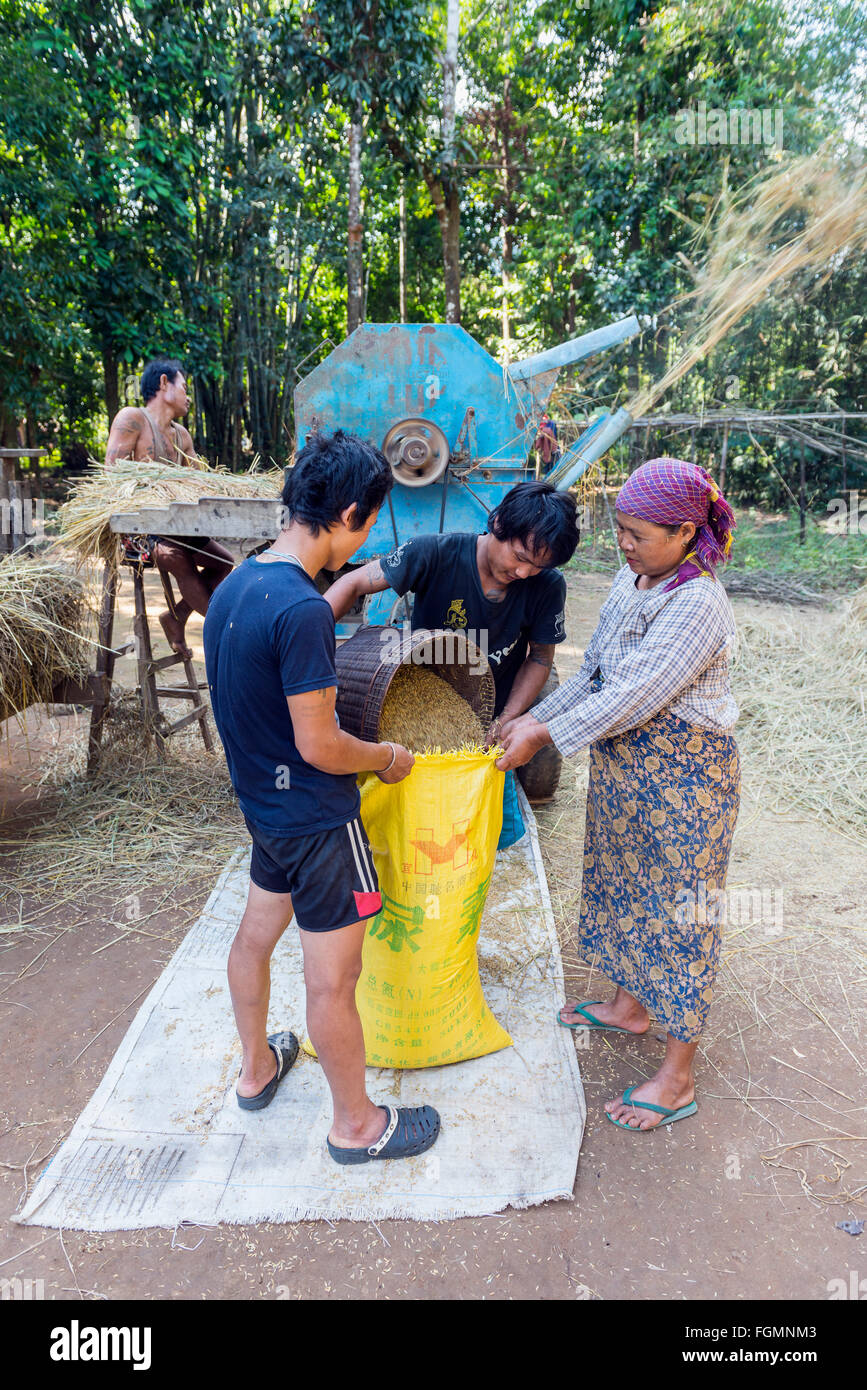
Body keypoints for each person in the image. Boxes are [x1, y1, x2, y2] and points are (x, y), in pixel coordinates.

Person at [202, 430, 440, 1165]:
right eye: (367, 523)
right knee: (333, 982)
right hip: (318, 822)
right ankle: (356, 1127)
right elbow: (319, 745)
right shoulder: (302, 610)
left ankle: (255, 1070)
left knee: (252, 938)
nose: (363, 541)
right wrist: (387, 757)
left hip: (265, 814)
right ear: (347, 514)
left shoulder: (239, 584)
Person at [496, 458, 740, 1132]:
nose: (623, 544)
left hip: (686, 781)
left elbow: (636, 693)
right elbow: (598, 675)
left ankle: (676, 1074)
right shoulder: (635, 581)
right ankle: (628, 1007)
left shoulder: (696, 603)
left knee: (681, 917)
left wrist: (542, 734)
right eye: (620, 530)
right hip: (627, 769)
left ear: (686, 532)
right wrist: (530, 718)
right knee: (622, 884)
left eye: (637, 534)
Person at [325, 480, 579, 744]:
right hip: (415, 712)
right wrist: (305, 635)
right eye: (520, 557)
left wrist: (505, 720)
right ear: (499, 523)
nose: (524, 573)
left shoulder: (547, 585)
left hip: (488, 717)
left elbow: (540, 658)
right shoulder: (434, 553)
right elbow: (352, 584)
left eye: (538, 566)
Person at [105, 358, 233, 658]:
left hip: (176, 527)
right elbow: (110, 477)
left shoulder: (181, 436)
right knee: (176, 558)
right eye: (184, 387)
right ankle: (226, 634)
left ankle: (175, 617)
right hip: (135, 531)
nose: (188, 396)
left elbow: (198, 482)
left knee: (225, 562)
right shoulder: (132, 418)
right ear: (164, 384)